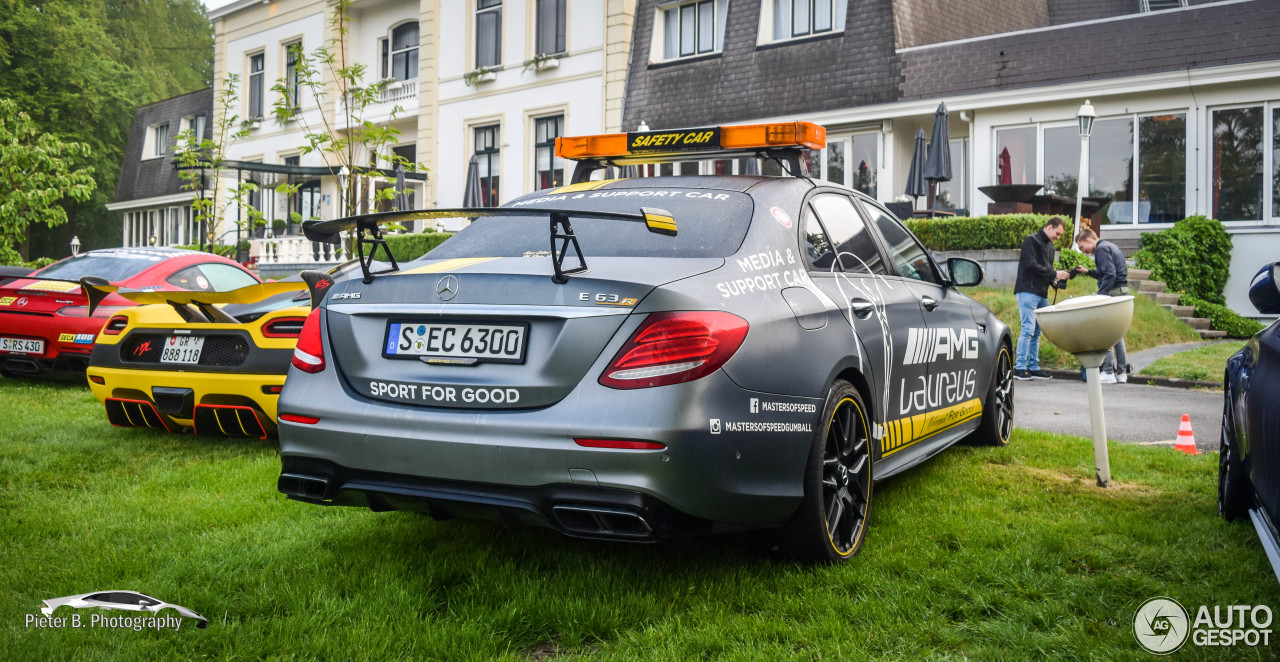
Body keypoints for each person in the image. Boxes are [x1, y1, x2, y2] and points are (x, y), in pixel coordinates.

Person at [1013, 216, 1071, 380]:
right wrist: (1054, 274)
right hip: (1027, 290)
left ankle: (1032, 366)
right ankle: (1020, 367)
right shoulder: (1031, 241)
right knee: (1028, 329)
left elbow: (1043, 269)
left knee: (1037, 332)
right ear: (1050, 227)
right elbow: (1030, 265)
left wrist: (1053, 281)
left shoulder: (1049, 247)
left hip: (1040, 292)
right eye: (1058, 234)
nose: (1058, 238)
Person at [1074, 228, 1130, 383]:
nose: (1083, 251)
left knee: (1105, 333)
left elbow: (1110, 274)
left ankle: (1107, 372)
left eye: (1082, 246)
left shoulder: (1101, 249)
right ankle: (1121, 373)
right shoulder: (1111, 246)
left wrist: (1101, 295)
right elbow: (1107, 272)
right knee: (1118, 334)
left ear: (1089, 240)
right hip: (1122, 291)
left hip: (1112, 292)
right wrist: (1088, 272)